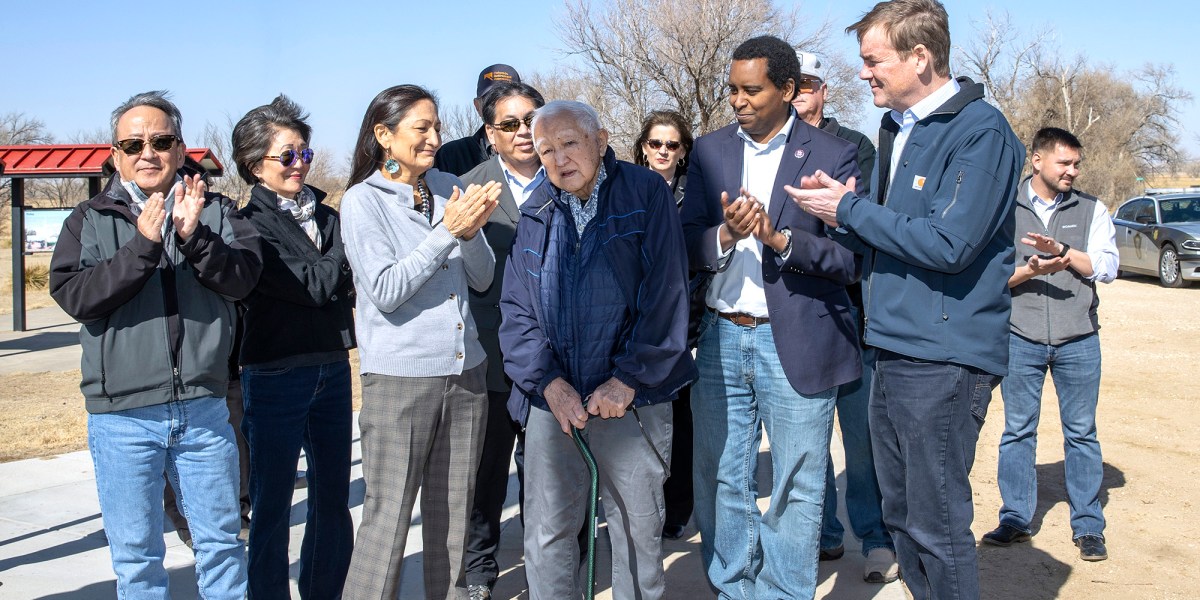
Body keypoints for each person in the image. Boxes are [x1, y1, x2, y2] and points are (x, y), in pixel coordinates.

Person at [788, 1, 1025, 597]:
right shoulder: (896, 127)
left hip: (943, 359)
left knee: (938, 526)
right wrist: (843, 213)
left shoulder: (982, 132)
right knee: (902, 521)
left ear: (920, 57)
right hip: (889, 350)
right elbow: (896, 232)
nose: (863, 73)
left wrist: (848, 210)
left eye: (873, 61)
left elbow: (950, 244)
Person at [49, 90, 262, 599]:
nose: (148, 152)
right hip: (121, 418)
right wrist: (143, 246)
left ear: (180, 147)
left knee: (221, 545)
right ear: (116, 153)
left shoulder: (217, 212)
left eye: (161, 140)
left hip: (205, 409)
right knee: (137, 557)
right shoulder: (87, 219)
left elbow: (244, 280)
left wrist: (195, 239)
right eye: (133, 143)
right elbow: (78, 296)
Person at [679, 36, 863, 599]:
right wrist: (726, 235)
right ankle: (732, 585)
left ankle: (783, 591)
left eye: (751, 89)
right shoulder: (709, 153)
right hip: (721, 337)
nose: (738, 99)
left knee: (797, 483)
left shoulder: (834, 155)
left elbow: (852, 257)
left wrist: (777, 238)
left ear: (788, 89)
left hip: (800, 342)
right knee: (722, 476)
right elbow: (685, 242)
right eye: (732, 89)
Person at [499, 100, 696, 600]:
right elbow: (517, 311)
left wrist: (627, 377)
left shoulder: (645, 191)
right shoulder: (536, 208)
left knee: (636, 534)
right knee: (547, 536)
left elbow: (666, 294)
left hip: (632, 398)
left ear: (601, 140)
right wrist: (547, 383)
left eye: (569, 143)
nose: (559, 158)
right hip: (555, 401)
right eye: (546, 150)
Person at [339, 84, 501, 600]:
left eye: (437, 127)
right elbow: (385, 290)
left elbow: (481, 279)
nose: (434, 137)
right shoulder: (363, 201)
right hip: (400, 380)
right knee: (386, 521)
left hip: (465, 372)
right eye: (421, 128)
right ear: (384, 135)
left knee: (453, 517)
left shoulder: (450, 185)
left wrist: (471, 234)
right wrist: (446, 233)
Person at [231, 94, 357, 598]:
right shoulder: (248, 225)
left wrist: (340, 263)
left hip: (331, 364)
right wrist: (347, 256)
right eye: (287, 155)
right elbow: (317, 285)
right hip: (275, 374)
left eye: (304, 152)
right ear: (254, 164)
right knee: (273, 504)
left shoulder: (327, 216)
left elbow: (338, 283)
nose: (300, 163)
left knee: (333, 499)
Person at [982, 127, 1118, 562]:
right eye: (1064, 163)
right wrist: (1029, 272)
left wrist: (1062, 250)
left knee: (1081, 433)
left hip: (1079, 338)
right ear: (1037, 160)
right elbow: (987, 279)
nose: (1072, 172)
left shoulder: (1092, 209)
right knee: (1018, 430)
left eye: (1076, 164)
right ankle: (1016, 519)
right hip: (1019, 337)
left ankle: (1088, 525)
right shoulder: (1005, 209)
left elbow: (1107, 267)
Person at [791, 50, 896, 583]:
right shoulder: (774, 147)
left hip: (851, 313)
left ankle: (875, 536)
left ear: (824, 89)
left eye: (811, 83)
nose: (803, 92)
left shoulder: (855, 146)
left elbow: (866, 221)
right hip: (796, 312)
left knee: (860, 436)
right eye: (795, 84)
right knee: (808, 441)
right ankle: (823, 535)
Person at [458, 80, 546, 600]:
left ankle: (554, 564)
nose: (522, 132)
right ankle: (478, 570)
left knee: (549, 477)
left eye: (530, 119)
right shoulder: (467, 188)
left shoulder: (572, 177)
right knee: (485, 477)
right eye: (508, 124)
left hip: (555, 360)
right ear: (490, 134)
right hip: (490, 358)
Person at [632, 109, 698, 541]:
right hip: (636, 324)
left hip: (687, 323)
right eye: (655, 143)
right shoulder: (626, 191)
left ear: (684, 151)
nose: (662, 151)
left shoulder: (696, 196)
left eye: (671, 144)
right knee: (634, 427)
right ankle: (638, 506)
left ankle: (676, 508)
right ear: (642, 147)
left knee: (681, 421)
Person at [435, 64, 522, 176]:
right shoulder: (450, 155)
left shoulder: (542, 149)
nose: (499, 106)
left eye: (507, 98)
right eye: (490, 100)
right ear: (477, 106)